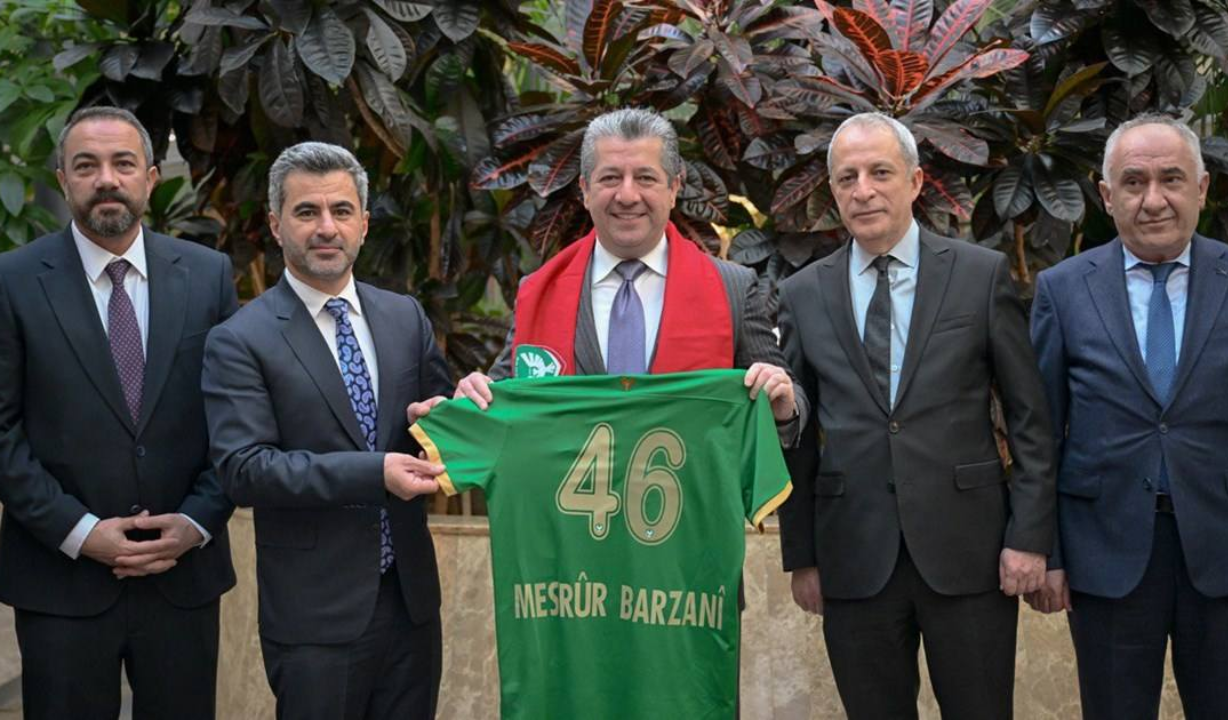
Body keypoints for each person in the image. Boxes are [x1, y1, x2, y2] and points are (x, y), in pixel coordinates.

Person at [776, 112, 1056, 719]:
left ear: (916, 181)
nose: (863, 191)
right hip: (853, 556)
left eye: (880, 173)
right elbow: (795, 435)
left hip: (970, 552)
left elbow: (1030, 417)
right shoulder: (803, 293)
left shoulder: (978, 275)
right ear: (833, 192)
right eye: (847, 178)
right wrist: (802, 555)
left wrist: (1030, 538)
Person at [1027, 115, 1228, 720]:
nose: (1154, 199)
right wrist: (1049, 552)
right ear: (1106, 195)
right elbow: (1041, 436)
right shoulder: (1063, 289)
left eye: (1172, 179)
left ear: (1202, 188)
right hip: (1105, 552)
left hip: (1226, 549)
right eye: (1134, 183)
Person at [0, 106, 238, 719]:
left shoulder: (209, 275)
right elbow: (2, 433)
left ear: (151, 178)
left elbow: (235, 421)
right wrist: (81, 533)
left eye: (123, 163)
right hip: (60, 580)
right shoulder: (12, 281)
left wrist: (197, 521)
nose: (106, 179)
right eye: (86, 166)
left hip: (183, 576)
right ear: (63, 180)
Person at [202, 141, 453, 719]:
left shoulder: (404, 316)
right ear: (275, 224)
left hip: (411, 604)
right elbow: (244, 469)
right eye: (306, 211)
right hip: (314, 616)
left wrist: (447, 416)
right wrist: (376, 472)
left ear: (363, 223)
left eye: (341, 210)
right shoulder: (240, 339)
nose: (326, 227)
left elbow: (434, 426)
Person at [421, 107, 805, 433]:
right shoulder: (538, 290)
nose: (627, 195)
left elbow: (787, 401)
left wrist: (784, 405)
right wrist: (472, 395)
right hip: (567, 499)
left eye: (645, 178)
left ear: (674, 188)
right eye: (610, 178)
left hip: (694, 497)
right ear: (585, 190)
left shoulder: (733, 287)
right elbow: (501, 399)